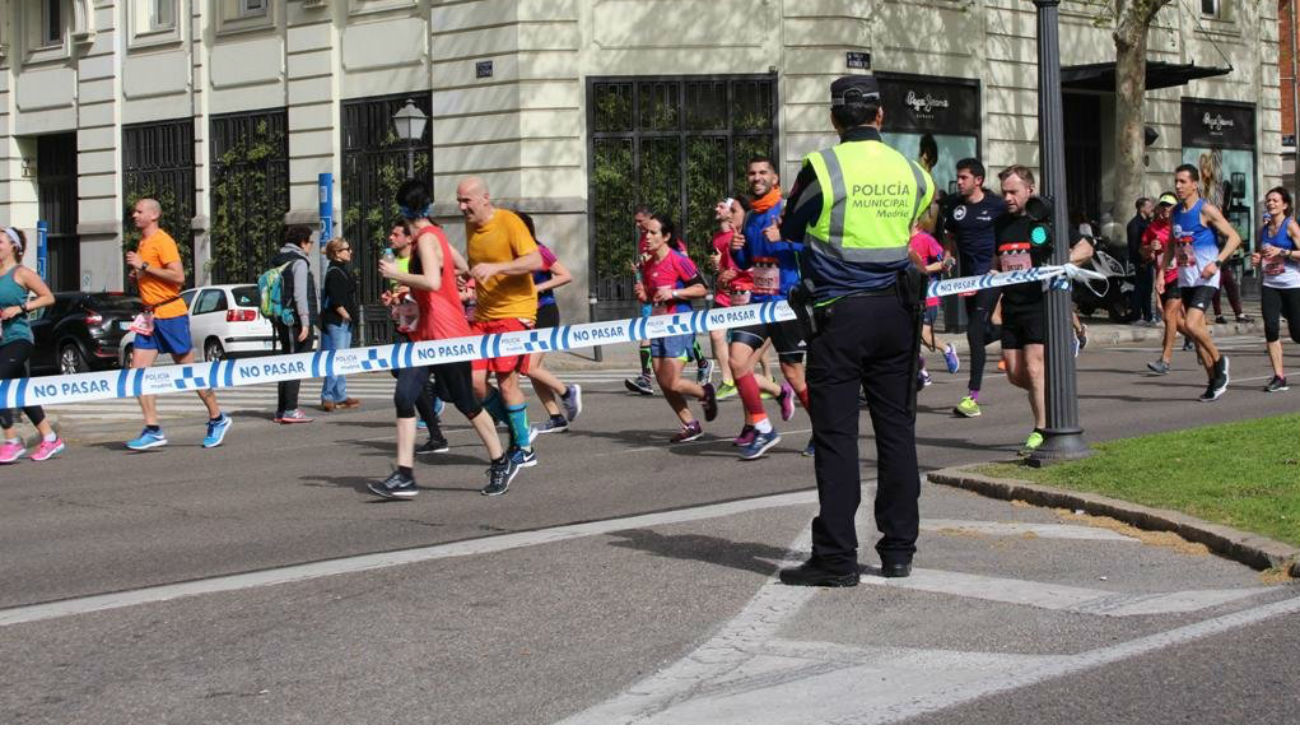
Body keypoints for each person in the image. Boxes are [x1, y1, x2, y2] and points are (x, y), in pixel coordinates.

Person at [776, 74, 934, 587]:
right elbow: (917, 215)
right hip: (896, 314)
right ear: (881, 116)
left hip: (839, 314)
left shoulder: (823, 166)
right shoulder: (911, 171)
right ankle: (899, 551)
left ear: (833, 119)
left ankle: (838, 558)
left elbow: (793, 228)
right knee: (896, 432)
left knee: (838, 437)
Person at [368, 180, 518, 499]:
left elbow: (434, 281)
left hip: (447, 334)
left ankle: (501, 459)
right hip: (425, 335)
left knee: (465, 402)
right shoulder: (436, 235)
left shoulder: (425, 238)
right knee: (404, 396)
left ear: (403, 211)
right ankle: (404, 474)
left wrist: (397, 275)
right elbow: (462, 266)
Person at [993, 166, 1093, 455]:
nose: (1008, 198)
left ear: (1030, 190)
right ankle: (1051, 396)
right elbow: (997, 261)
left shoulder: (1046, 221)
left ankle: (1041, 429)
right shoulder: (1000, 223)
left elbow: (1086, 248)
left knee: (1035, 366)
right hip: (1012, 306)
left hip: (1040, 304)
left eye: (1013, 192)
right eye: (1004, 193)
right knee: (1014, 372)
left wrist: (1062, 263)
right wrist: (991, 276)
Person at [124, 198, 232, 450]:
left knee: (188, 371)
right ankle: (152, 428)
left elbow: (178, 277)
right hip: (149, 317)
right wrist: (138, 276)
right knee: (138, 374)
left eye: (139, 211)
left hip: (170, 313)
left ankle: (217, 417)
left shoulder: (163, 241)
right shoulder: (143, 242)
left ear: (153, 215)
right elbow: (153, 277)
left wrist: (145, 266)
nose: (134, 215)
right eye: (134, 211)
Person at [458, 176, 543, 467]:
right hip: (483, 314)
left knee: (507, 383)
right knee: (474, 382)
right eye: (459, 200)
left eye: (466, 200)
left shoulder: (509, 222)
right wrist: (467, 277)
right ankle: (520, 429)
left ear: (485, 198)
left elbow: (535, 261)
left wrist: (498, 268)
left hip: (515, 311)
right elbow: (478, 266)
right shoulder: (470, 225)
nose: (461, 206)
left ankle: (524, 448)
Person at [729, 156, 809, 459]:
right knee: (737, 362)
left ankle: (825, 433)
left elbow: (811, 248)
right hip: (759, 302)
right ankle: (763, 428)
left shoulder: (789, 211)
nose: (757, 177)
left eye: (763, 172)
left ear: (775, 179)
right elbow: (747, 262)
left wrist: (785, 238)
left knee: (793, 374)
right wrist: (735, 251)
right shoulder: (749, 216)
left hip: (786, 303)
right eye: (752, 173)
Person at [1157, 163, 1237, 402]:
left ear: (1194, 184)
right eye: (1176, 182)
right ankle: (1213, 382)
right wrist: (1162, 273)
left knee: (1191, 325)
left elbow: (1234, 238)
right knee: (1197, 331)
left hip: (1207, 276)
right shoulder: (1176, 213)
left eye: (1183, 182)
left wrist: (1217, 263)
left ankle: (1220, 359)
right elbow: (1172, 243)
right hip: (1186, 278)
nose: (1178, 186)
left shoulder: (1206, 210)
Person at [637, 213, 717, 441]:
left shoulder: (679, 259)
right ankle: (690, 424)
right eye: (646, 232)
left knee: (672, 380)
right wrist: (645, 295)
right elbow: (653, 296)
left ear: (666, 236)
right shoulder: (649, 265)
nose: (648, 237)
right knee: (663, 383)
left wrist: (674, 293)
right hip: (657, 325)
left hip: (678, 324)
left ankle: (705, 392)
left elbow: (702, 289)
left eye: (653, 232)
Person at [943, 158, 1007, 418]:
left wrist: (1001, 264)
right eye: (958, 177)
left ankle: (972, 397)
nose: (959, 182)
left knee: (974, 330)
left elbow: (1010, 232)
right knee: (978, 332)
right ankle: (1009, 330)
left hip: (991, 276)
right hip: (967, 278)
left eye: (964, 178)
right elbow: (949, 235)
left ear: (978, 180)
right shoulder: (954, 207)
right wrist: (948, 256)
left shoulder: (996, 206)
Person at [382, 219, 448, 453]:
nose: (391, 238)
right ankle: (436, 433)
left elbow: (436, 285)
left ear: (409, 238)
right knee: (401, 374)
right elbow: (400, 295)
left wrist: (410, 289)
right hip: (404, 326)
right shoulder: (392, 261)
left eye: (396, 234)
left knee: (458, 391)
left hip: (425, 328)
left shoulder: (418, 259)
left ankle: (436, 431)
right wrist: (393, 300)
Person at [0, 226, 63, 463]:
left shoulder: (22, 273)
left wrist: (21, 307)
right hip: (1, 340)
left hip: (19, 338)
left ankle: (12, 441)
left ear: (13, 246)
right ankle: (49, 438)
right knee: (19, 392)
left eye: (0, 242)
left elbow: (48, 297)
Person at [517, 212, 583, 434]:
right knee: (534, 369)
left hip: (544, 312)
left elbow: (565, 275)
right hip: (524, 316)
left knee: (529, 366)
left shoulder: (538, 250)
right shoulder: (513, 254)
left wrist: (536, 289)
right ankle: (555, 417)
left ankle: (567, 392)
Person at [1252, 187, 1300, 392]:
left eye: (1275, 200)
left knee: (1298, 334)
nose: (1270, 203)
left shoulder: (1291, 226)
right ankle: (1279, 376)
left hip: (1292, 284)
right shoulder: (1263, 230)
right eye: (1268, 200)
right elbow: (1260, 254)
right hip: (1270, 284)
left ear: (1285, 205)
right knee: (1271, 327)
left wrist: (1284, 251)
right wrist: (1257, 259)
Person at [269, 225, 318, 424]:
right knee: (295, 363)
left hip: (282, 318)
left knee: (286, 361)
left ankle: (282, 409)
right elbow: (300, 295)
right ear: (303, 242)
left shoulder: (277, 259)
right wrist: (305, 322)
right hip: (295, 320)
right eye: (310, 242)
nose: (311, 246)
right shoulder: (298, 262)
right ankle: (290, 409)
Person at [908, 207, 959, 388]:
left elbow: (945, 262)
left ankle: (947, 349)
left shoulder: (925, 239)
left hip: (928, 294)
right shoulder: (899, 241)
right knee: (909, 336)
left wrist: (924, 269)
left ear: (915, 221)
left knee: (924, 335)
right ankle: (922, 372)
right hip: (908, 295)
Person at [1199, 150, 1251, 325]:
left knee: (1228, 281)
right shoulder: (1201, 192)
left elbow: (1223, 210)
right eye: (1203, 168)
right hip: (1211, 241)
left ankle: (1236, 312)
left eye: (1208, 168)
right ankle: (1219, 313)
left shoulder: (1219, 189)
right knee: (1218, 281)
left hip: (1221, 240)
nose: (1205, 172)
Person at [708, 197, 745, 399]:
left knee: (747, 343)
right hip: (723, 294)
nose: (717, 208)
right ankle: (728, 380)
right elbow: (721, 267)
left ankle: (767, 377)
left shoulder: (737, 235)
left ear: (731, 212)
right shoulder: (716, 238)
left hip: (741, 294)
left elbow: (744, 264)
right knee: (716, 333)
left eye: (721, 206)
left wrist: (732, 271)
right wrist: (717, 267)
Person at [1143, 193, 1182, 374]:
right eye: (1164, 205)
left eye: (1170, 206)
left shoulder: (1182, 225)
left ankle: (1165, 360)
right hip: (1162, 277)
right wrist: (1150, 248)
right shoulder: (1153, 228)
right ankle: (1198, 340)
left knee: (1168, 316)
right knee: (1178, 322)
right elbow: (1142, 251)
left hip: (1180, 276)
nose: (1166, 209)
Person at [319, 237, 360, 412]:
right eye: (347, 248)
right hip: (337, 322)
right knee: (337, 359)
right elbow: (335, 299)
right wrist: (346, 316)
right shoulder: (334, 272)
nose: (350, 251)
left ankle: (340, 396)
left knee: (341, 360)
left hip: (343, 321)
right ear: (337, 253)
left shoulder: (340, 269)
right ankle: (327, 396)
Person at [1127, 196, 1155, 324]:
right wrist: (1140, 261)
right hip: (1140, 262)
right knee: (1139, 289)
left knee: (1147, 289)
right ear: (1141, 208)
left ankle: (1148, 315)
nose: (1151, 209)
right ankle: (1136, 316)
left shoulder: (1148, 223)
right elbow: (1134, 246)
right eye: (1149, 206)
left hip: (1148, 260)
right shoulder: (1134, 224)